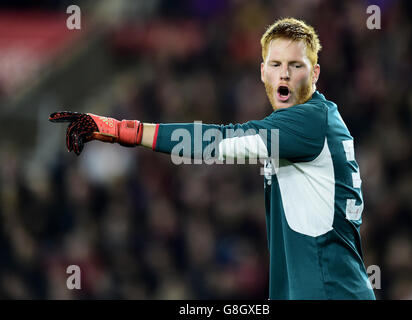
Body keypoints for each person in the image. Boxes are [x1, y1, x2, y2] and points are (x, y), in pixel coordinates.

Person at [49, 18, 375, 300]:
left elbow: (217, 140)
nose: (285, 75)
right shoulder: (314, 122)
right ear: (263, 72)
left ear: (315, 72)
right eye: (276, 64)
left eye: (296, 65)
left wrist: (122, 130)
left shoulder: (308, 122)